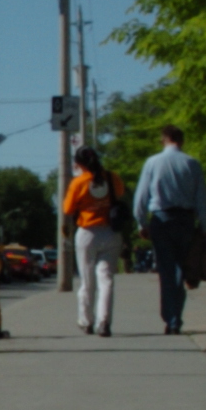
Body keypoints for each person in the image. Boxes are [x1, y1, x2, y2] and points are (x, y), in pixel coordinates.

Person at [130, 124, 206, 334]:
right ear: (181, 141)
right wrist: (204, 225)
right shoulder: (192, 163)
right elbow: (202, 198)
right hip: (185, 219)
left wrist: (142, 223)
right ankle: (175, 317)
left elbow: (141, 196)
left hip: (161, 219)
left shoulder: (152, 162)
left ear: (164, 140)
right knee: (180, 267)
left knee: (166, 269)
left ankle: (171, 318)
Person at [60, 144, 125, 336]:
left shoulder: (78, 183)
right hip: (111, 232)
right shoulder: (112, 177)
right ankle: (104, 322)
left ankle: (86, 320)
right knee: (106, 279)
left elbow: (67, 209)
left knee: (87, 280)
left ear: (79, 164)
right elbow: (120, 193)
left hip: (87, 234)